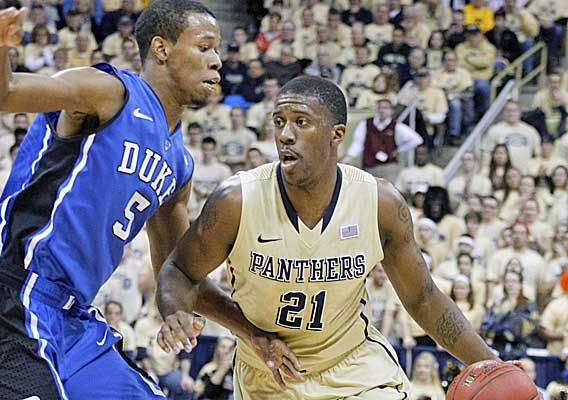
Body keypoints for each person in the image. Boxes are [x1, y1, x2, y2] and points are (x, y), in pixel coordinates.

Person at [0, 2, 293, 399]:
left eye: (217, 50)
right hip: (9, 300)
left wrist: (251, 332)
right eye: (204, 47)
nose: (216, 61)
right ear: (161, 49)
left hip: (74, 318)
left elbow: (176, 272)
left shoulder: (179, 164)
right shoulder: (109, 92)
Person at [156, 76, 504, 399]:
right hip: (271, 377)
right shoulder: (236, 200)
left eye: (300, 122)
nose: (285, 135)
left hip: (356, 368)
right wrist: (180, 312)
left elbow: (424, 299)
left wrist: (495, 368)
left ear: (337, 134)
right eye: (279, 122)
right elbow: (179, 272)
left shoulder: (379, 203)